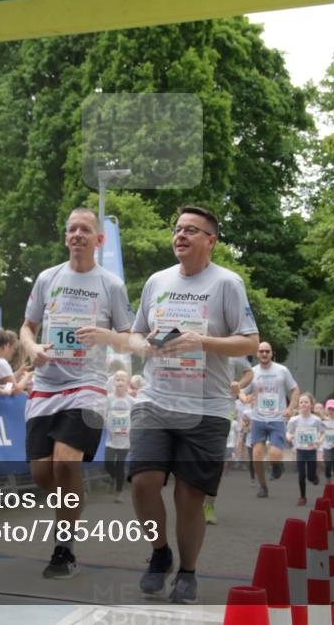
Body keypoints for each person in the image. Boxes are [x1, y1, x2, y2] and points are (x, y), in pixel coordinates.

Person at [127, 206, 259, 604]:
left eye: (191, 230)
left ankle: (187, 572)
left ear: (211, 240)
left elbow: (250, 341)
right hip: (155, 399)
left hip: (207, 406)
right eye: (178, 228)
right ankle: (159, 553)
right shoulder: (157, 281)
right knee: (142, 482)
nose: (180, 235)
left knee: (189, 495)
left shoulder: (227, 284)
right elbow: (133, 336)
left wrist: (202, 342)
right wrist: (144, 346)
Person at [19, 207, 134, 579]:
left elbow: (130, 338)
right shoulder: (47, 278)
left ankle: (64, 546)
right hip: (46, 386)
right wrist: (33, 349)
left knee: (66, 462)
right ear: (66, 237)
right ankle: (69, 508)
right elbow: (27, 327)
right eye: (72, 229)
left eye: (86, 229)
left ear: (99, 240)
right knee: (42, 473)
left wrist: (106, 336)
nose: (77, 235)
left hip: (87, 386)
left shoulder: (110, 285)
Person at [203, 356, 253, 525]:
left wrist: (238, 385)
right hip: (193, 406)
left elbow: (249, 372)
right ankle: (192, 503)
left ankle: (208, 505)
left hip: (222, 410)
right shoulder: (194, 339)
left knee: (215, 459)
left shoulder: (231, 347)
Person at [246, 342, 299, 498]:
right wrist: (244, 398)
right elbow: (242, 392)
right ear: (257, 353)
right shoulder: (252, 372)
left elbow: (295, 389)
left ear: (272, 353)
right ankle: (263, 487)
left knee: (275, 453)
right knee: (256, 455)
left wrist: (291, 408)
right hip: (258, 419)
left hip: (277, 419)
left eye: (267, 351)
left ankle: (276, 465)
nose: (264, 354)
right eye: (261, 351)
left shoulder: (282, 370)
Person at [286, 393, 324, 506]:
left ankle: (314, 477)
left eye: (306, 402)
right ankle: (302, 497)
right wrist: (289, 437)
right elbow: (288, 432)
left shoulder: (316, 420)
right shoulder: (294, 420)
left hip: (311, 450)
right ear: (298, 405)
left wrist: (319, 440)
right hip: (300, 450)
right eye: (301, 402)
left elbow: (322, 432)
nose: (303, 404)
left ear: (311, 405)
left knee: (310, 476)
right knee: (301, 475)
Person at [104, 370, 134, 504]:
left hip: (125, 440)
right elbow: (103, 415)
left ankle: (119, 492)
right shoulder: (109, 398)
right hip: (111, 439)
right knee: (108, 464)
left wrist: (129, 429)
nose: (119, 382)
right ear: (114, 382)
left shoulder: (132, 401)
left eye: (122, 380)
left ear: (127, 383)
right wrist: (110, 426)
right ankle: (113, 477)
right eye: (117, 379)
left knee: (120, 466)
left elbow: (135, 418)